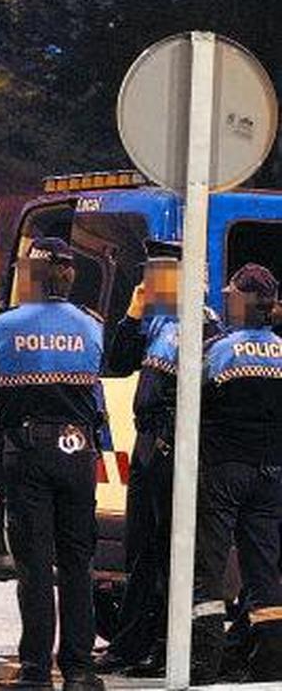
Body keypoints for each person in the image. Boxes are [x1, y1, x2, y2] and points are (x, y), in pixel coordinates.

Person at [0, 236, 106, 691]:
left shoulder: (4, 326)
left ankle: (35, 671)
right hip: (78, 453)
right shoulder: (92, 326)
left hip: (28, 453)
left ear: (32, 275)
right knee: (77, 564)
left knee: (35, 568)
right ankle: (80, 670)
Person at [96, 241, 220, 677]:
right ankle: (128, 645)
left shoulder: (204, 327)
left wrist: (173, 443)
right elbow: (116, 363)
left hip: (172, 449)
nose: (151, 280)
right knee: (140, 553)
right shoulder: (159, 324)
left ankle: (163, 649)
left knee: (168, 556)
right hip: (148, 447)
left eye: (161, 273)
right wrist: (132, 312)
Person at [190, 263, 282, 684]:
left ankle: (204, 664)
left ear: (245, 302)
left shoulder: (220, 351)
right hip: (271, 474)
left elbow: (198, 407)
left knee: (210, 569)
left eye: (232, 294)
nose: (226, 299)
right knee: (264, 570)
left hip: (226, 471)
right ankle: (268, 661)